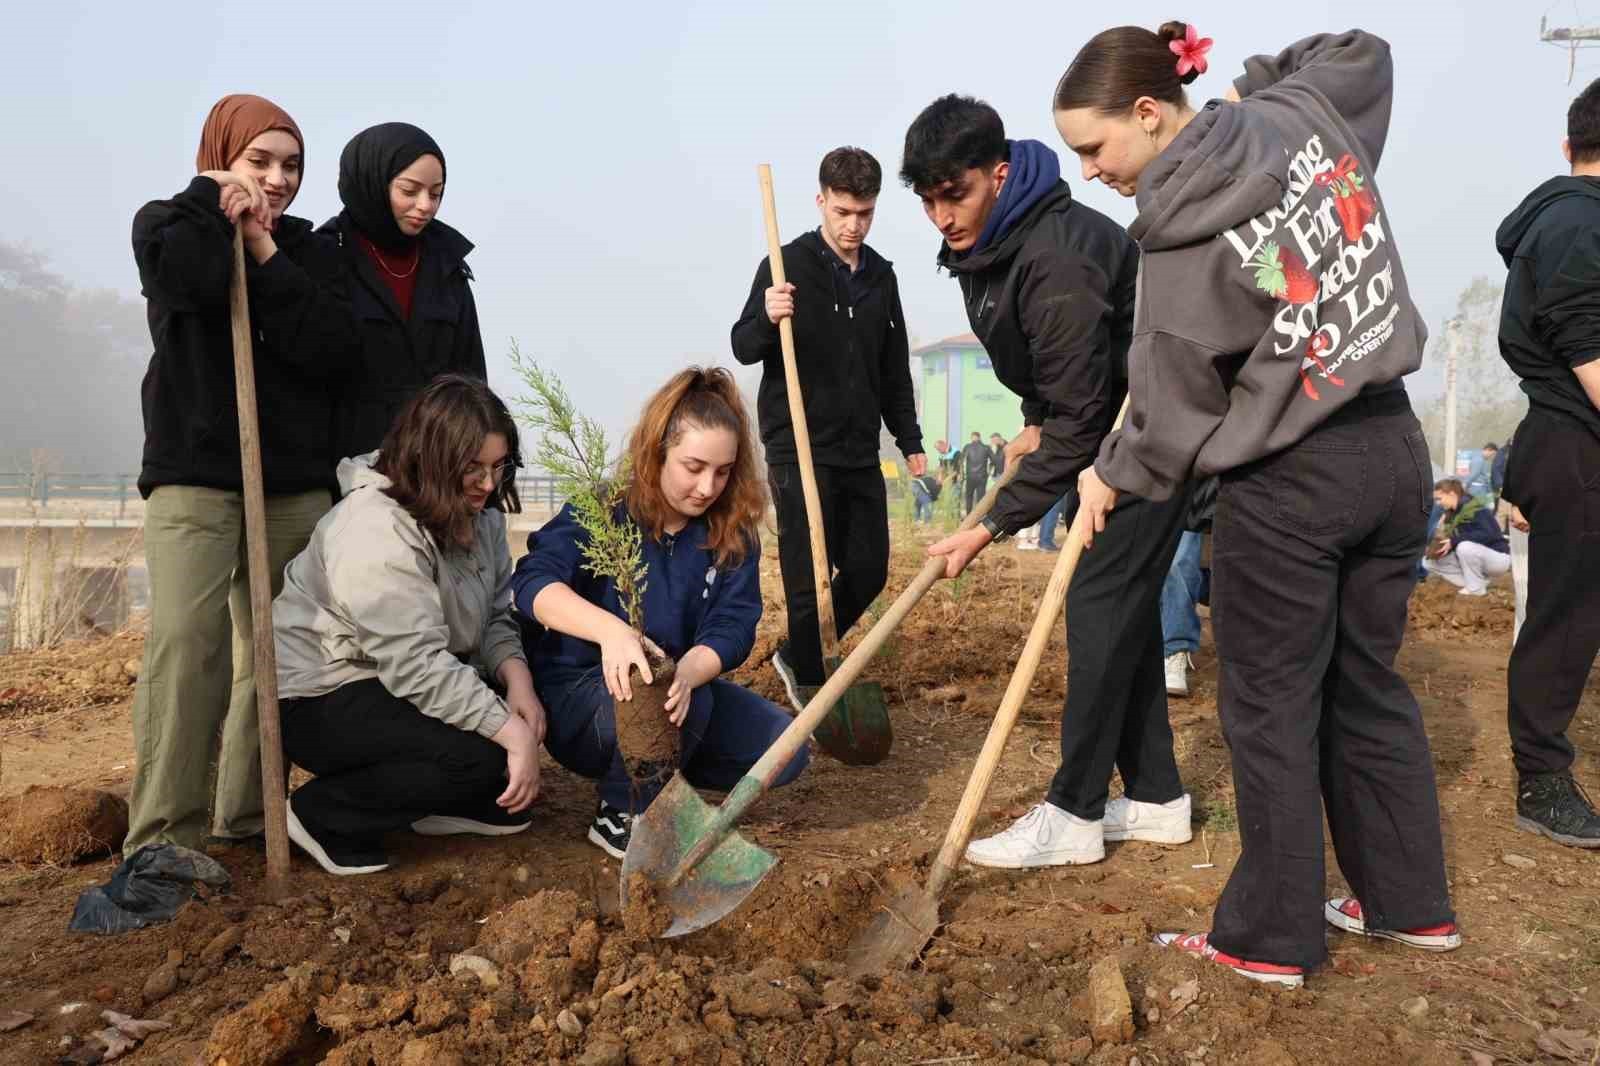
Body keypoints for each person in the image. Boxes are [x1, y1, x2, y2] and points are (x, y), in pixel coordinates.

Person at [1060, 24, 1459, 986]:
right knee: (1367, 685)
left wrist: (1107, 474)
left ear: (1149, 113)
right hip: (1394, 452)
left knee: (1270, 709)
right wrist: (1245, 83)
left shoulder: (1177, 242)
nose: (1091, 172)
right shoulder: (1299, 116)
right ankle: (1410, 906)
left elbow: (1166, 418)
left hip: (1291, 482)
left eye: (1095, 147)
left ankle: (1270, 938)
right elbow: (1361, 48)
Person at [903, 94, 1193, 873]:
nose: (940, 216)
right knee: (1119, 611)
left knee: (1099, 605)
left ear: (998, 175)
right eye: (928, 199)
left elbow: (1084, 411)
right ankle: (1159, 798)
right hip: (1103, 436)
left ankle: (1074, 810)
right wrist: (1036, 417)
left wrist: (988, 527)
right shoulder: (988, 247)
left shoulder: (1054, 254)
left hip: (1149, 435)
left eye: (954, 194)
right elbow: (1054, 380)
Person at [124, 95, 359, 858]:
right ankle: (164, 837)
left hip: (292, 482)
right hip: (193, 476)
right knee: (190, 646)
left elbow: (328, 348)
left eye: (291, 165)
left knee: (276, 651)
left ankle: (250, 814)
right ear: (220, 154)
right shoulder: (166, 221)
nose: (278, 178)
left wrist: (262, 244)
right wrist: (211, 203)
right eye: (259, 161)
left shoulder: (309, 249)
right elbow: (187, 286)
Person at [512, 368, 809, 857]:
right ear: (657, 452)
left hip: (676, 695)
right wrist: (612, 633)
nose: (708, 486)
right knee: (677, 696)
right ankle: (622, 813)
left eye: (723, 471)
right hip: (584, 699)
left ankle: (661, 769)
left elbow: (734, 624)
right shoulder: (603, 511)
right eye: (693, 467)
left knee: (786, 750)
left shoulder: (730, 532)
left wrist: (693, 668)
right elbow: (532, 583)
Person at [272, 375, 541, 876]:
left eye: (499, 467)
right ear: (431, 460)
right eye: (473, 469)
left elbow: (495, 615)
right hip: (324, 694)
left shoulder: (481, 515)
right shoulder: (376, 527)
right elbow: (415, 665)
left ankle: (439, 803)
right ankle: (324, 814)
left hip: (401, 678)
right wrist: (513, 735)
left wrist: (518, 681)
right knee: (481, 755)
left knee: (518, 704)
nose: (489, 485)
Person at [731, 147, 925, 711]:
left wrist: (909, 439)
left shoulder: (881, 277)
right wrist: (768, 316)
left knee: (867, 567)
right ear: (821, 202)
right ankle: (812, 680)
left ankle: (799, 652)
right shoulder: (784, 265)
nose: (853, 225)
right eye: (843, 211)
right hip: (798, 443)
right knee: (803, 570)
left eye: (864, 213)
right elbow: (743, 346)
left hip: (859, 446)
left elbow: (893, 367)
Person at [1495, 73, 1600, 848]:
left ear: (1570, 145)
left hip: (1569, 440)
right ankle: (1542, 778)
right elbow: (1587, 344)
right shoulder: (1576, 224)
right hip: (1576, 445)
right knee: (1567, 620)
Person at [322, 123, 487, 460]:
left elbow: (471, 377)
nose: (425, 205)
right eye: (410, 191)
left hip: (436, 469)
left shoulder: (447, 263)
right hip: (345, 470)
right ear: (372, 183)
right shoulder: (325, 255)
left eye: (436, 193)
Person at [1423, 479, 1511, 596]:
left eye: (1439, 499)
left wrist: (1454, 541)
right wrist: (1440, 529)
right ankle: (1479, 583)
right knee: (1428, 563)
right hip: (1476, 557)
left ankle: (1475, 589)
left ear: (1452, 494)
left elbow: (1488, 534)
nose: (1438, 503)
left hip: (1498, 558)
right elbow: (1445, 541)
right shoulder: (1451, 514)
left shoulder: (1476, 509)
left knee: (1464, 547)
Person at [959, 431, 995, 513]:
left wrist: (962, 473)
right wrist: (989, 470)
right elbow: (994, 460)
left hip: (970, 476)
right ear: (979, 437)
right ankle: (979, 517)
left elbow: (961, 461)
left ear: (972, 438)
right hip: (982, 477)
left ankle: (968, 516)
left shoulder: (967, 447)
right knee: (981, 498)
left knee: (969, 497)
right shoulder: (986, 447)